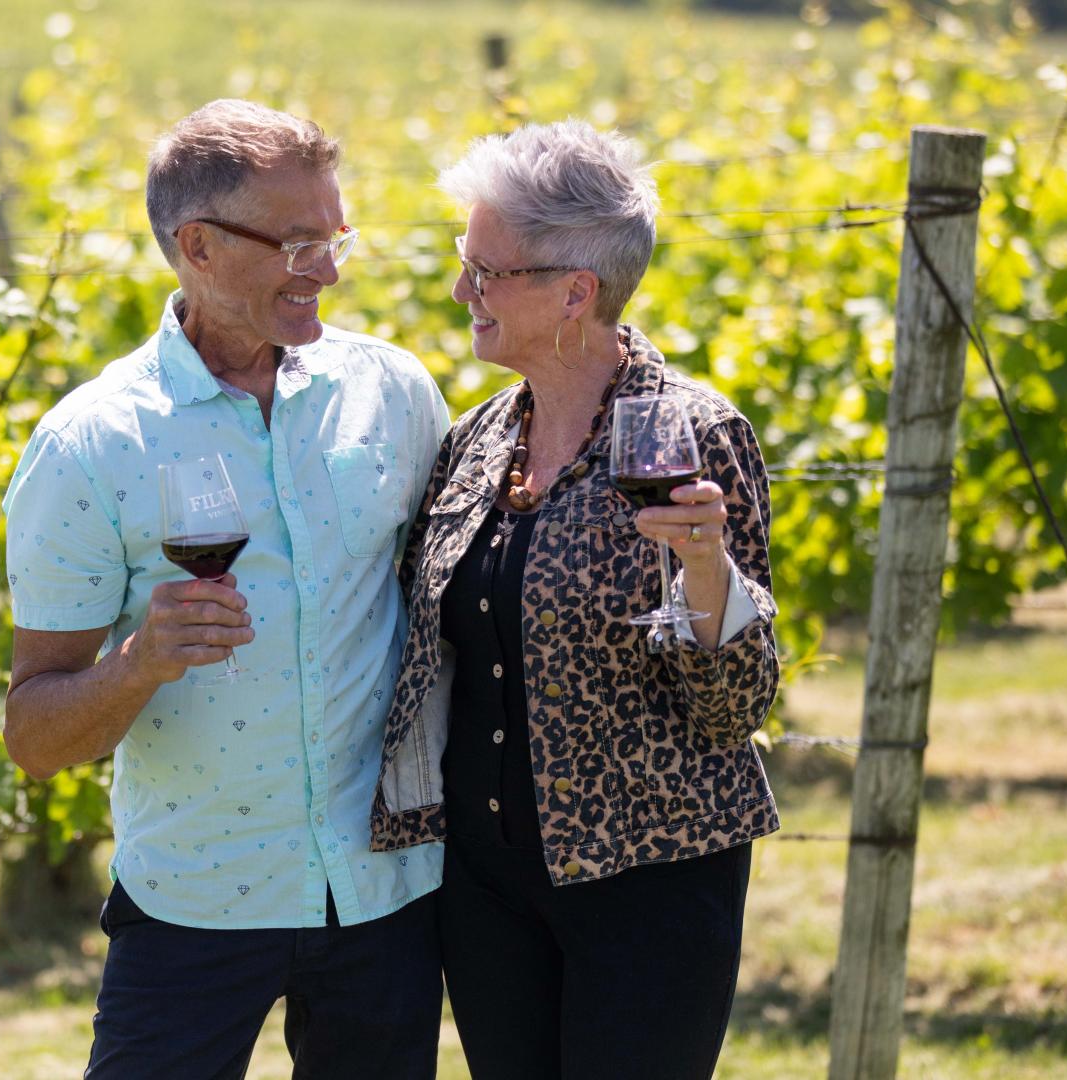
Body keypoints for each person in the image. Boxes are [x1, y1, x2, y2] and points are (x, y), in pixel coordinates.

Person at [1, 99, 451, 1080]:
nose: (327, 270)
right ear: (196, 246)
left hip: (382, 897)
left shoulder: (395, 393)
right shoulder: (91, 447)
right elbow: (34, 738)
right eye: (296, 244)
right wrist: (138, 666)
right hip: (195, 900)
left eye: (336, 237)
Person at [371, 120, 780, 1079]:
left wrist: (708, 570)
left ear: (574, 292)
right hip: (485, 886)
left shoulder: (691, 436)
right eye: (462, 260)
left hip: (649, 880)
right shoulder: (474, 441)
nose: (461, 290)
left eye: (485, 269)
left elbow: (735, 707)